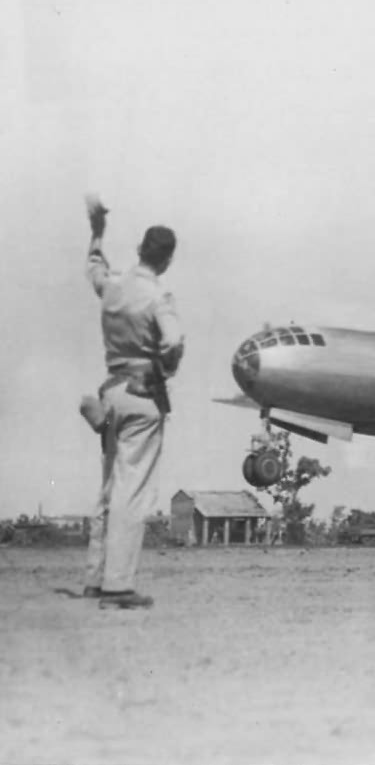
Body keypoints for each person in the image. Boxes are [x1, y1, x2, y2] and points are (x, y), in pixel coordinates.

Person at [82, 198, 183, 609]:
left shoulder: (114, 285)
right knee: (133, 489)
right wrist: (162, 371)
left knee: (109, 486)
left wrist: (98, 231)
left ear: (141, 249)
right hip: (143, 396)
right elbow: (174, 342)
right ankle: (118, 585)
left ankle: (94, 577)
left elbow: (94, 268)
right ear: (168, 258)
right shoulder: (158, 295)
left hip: (110, 393)